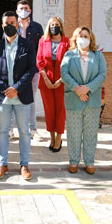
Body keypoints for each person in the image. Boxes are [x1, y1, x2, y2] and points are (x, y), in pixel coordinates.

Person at [0, 11, 38, 181]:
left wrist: (16, 88)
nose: (9, 25)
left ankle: (24, 164)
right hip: (4, 97)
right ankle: (2, 164)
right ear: (2, 26)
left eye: (12, 22)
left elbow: (32, 68)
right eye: (6, 23)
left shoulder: (27, 44)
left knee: (24, 131)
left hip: (22, 95)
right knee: (3, 131)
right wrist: (6, 89)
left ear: (17, 24)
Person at [60, 27, 107, 174]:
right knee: (73, 132)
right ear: (75, 38)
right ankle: (73, 161)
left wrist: (86, 89)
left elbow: (102, 74)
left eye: (86, 36)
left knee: (90, 132)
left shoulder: (98, 55)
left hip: (92, 99)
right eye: (80, 36)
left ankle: (89, 161)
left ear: (90, 39)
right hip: (74, 98)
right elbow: (64, 73)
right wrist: (77, 89)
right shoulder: (69, 55)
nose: (83, 38)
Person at [37, 16, 70, 153]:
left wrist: (61, 80)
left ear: (61, 26)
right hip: (46, 81)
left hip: (62, 81)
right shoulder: (43, 41)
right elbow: (39, 61)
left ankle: (58, 138)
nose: (54, 27)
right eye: (52, 24)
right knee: (49, 110)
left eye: (56, 24)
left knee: (60, 111)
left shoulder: (67, 42)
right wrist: (46, 79)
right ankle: (51, 136)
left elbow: (70, 62)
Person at [13, 0, 44, 139]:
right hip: (15, 69)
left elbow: (42, 48)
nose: (23, 10)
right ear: (17, 11)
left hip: (33, 69)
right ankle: (9, 130)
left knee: (30, 99)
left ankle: (33, 129)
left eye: (26, 8)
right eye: (21, 8)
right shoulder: (12, 26)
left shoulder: (37, 27)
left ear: (30, 10)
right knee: (13, 97)